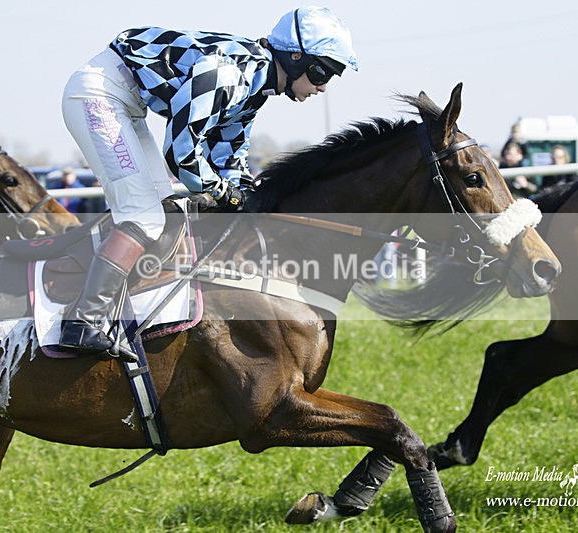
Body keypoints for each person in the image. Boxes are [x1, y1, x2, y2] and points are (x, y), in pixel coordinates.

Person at [59, 6, 359, 355]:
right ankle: (83, 321)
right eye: (323, 72)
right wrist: (226, 195)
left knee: (162, 209)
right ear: (295, 58)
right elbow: (181, 153)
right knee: (143, 216)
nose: (323, 87)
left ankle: (121, 307)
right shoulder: (229, 73)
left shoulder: (254, 87)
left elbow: (227, 159)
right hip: (99, 95)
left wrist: (253, 197)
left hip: (126, 103)